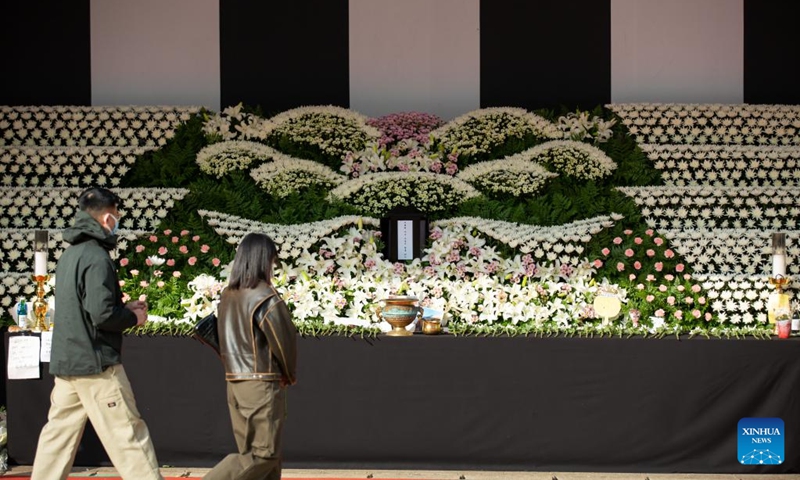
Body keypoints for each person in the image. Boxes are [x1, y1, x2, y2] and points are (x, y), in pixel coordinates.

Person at [31, 187, 163, 480]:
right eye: (116, 215)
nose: (117, 220)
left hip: (69, 362)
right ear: (106, 218)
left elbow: (83, 308)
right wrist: (133, 316)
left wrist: (122, 306)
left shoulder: (70, 256)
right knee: (128, 435)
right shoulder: (97, 257)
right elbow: (101, 314)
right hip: (95, 364)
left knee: (57, 439)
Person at [205, 232, 297, 480]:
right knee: (263, 455)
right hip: (261, 383)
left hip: (235, 382)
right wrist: (289, 374)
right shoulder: (264, 295)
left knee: (265, 455)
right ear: (265, 259)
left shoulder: (228, 295)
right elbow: (284, 340)